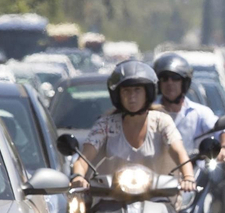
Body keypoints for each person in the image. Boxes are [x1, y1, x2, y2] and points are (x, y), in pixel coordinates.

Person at [69, 60, 194, 193]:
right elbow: (83, 159)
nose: (132, 96)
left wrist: (188, 177)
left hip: (158, 201)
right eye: (126, 91)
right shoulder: (105, 125)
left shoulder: (162, 121)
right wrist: (78, 176)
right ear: (118, 95)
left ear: (147, 93)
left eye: (137, 90)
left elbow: (179, 151)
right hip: (110, 202)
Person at [153, 53, 225, 161]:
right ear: (158, 83)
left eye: (175, 78)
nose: (169, 83)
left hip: (195, 171)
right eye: (164, 78)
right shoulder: (149, 112)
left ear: (184, 82)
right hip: (156, 173)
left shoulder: (200, 112)